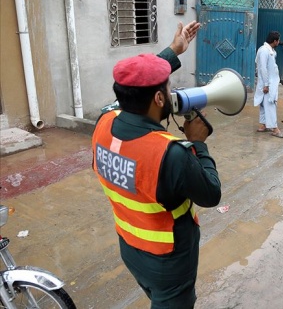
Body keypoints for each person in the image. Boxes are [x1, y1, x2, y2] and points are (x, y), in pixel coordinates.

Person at [91, 21, 222, 309]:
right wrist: (199, 142)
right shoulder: (170, 152)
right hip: (169, 260)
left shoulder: (104, 122)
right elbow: (211, 194)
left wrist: (174, 51)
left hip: (131, 248)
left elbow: (131, 91)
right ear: (160, 97)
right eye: (167, 88)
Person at [254, 30, 283, 138]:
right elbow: (263, 68)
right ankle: (275, 129)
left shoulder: (270, 50)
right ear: (274, 41)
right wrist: (266, 84)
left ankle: (264, 125)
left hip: (270, 81)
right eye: (278, 40)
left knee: (264, 103)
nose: (279, 42)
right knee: (270, 103)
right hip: (267, 82)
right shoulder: (264, 51)